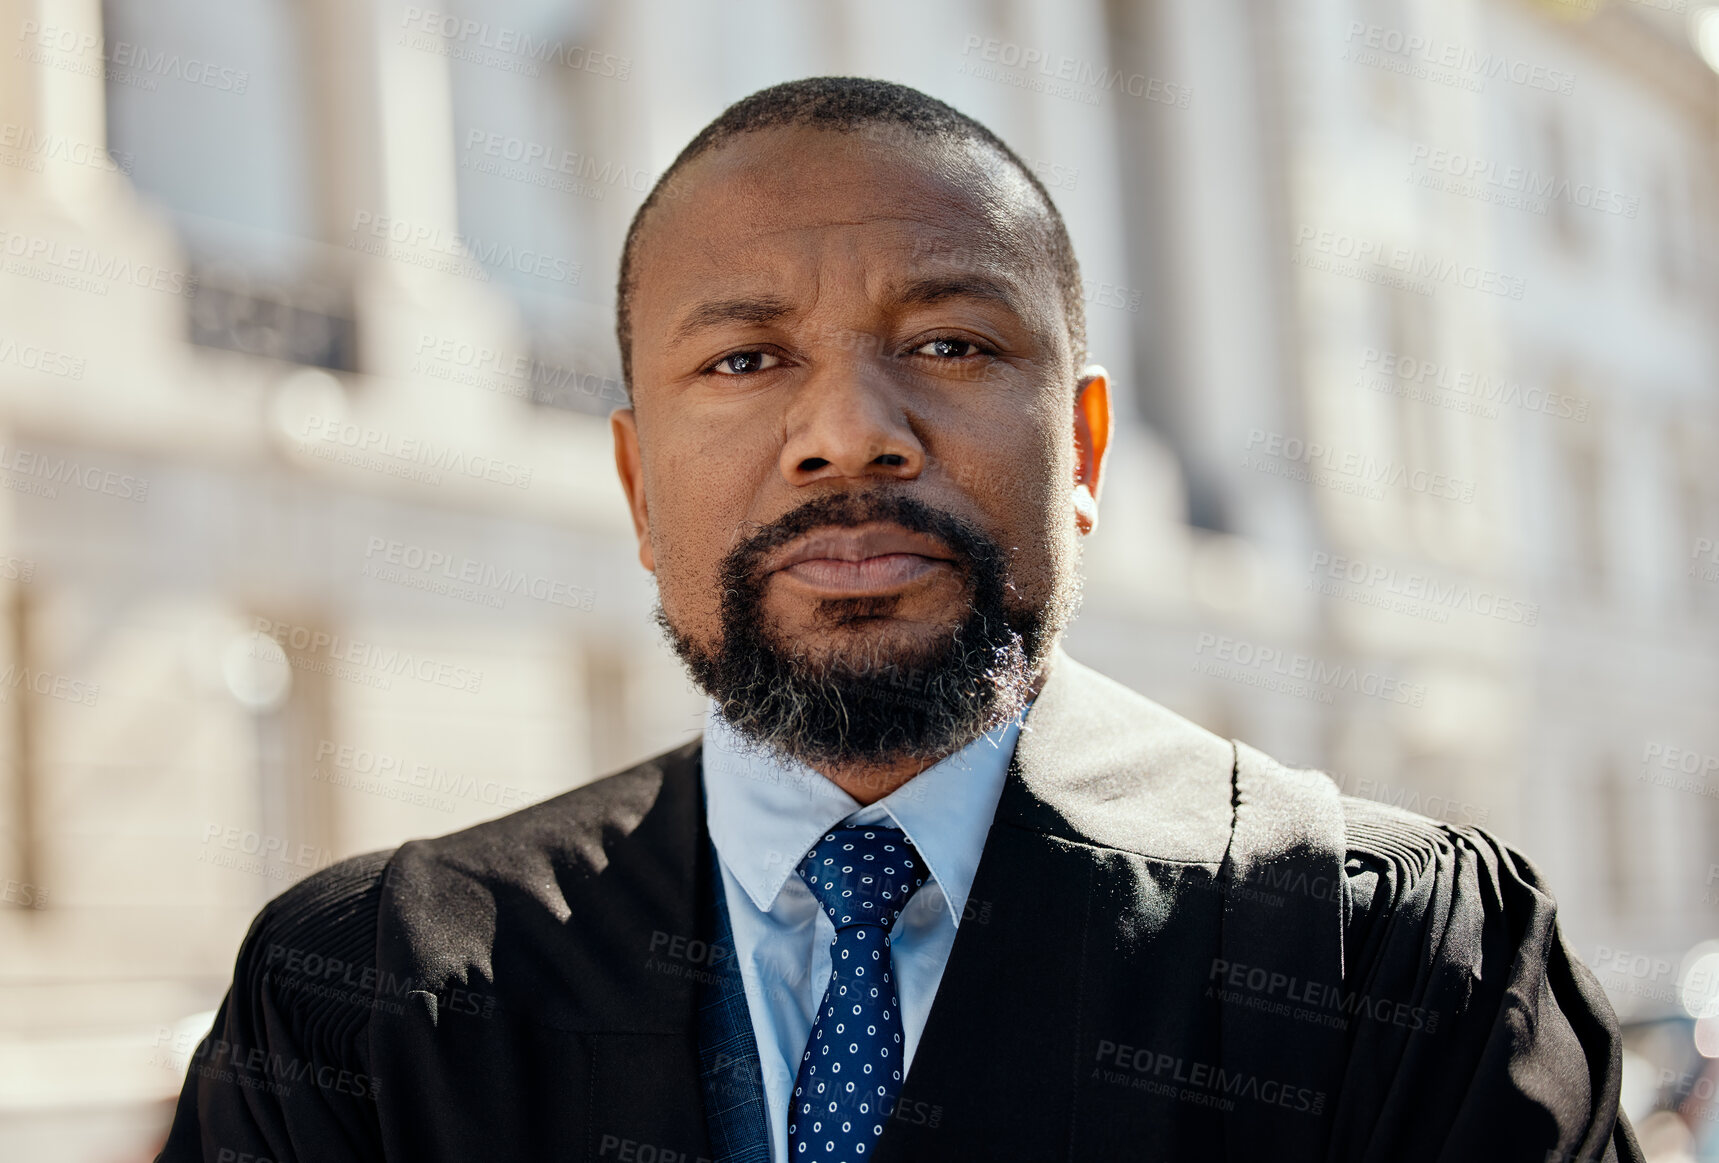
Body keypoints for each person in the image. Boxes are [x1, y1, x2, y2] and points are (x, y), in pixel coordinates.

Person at [158, 77, 1640, 1163]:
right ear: (634, 481)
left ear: (1087, 455)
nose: (847, 436)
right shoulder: (366, 1008)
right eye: (744, 360)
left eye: (950, 341)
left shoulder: (1382, 964)